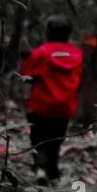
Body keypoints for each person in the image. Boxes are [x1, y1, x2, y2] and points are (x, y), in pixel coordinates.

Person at [18, 15, 83, 183]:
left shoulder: (41, 52)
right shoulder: (77, 54)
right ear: (68, 33)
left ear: (48, 32)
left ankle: (40, 169)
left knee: (38, 137)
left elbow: (25, 75)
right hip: (65, 107)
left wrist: (27, 59)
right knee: (56, 138)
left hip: (42, 105)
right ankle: (52, 171)